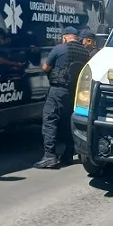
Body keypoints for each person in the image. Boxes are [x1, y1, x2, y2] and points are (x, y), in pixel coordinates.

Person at [35, 26, 90, 169]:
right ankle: (68, 155)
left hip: (58, 91)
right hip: (74, 93)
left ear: (65, 37)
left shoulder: (60, 48)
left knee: (50, 120)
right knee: (68, 124)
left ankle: (49, 155)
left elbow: (45, 68)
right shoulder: (85, 52)